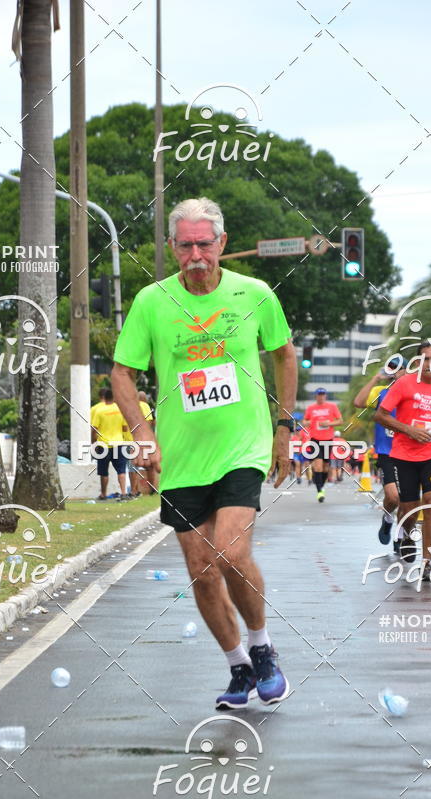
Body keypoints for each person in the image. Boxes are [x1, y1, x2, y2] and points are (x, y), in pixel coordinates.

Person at [111, 197, 296, 710]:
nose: (196, 254)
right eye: (186, 244)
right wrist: (143, 434)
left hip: (243, 446)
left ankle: (262, 650)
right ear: (172, 248)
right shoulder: (152, 301)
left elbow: (284, 355)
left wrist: (283, 428)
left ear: (222, 245)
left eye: (205, 243)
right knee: (201, 570)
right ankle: (238, 666)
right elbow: (122, 373)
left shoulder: (255, 294)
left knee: (230, 554)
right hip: (181, 457)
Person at [375, 341, 431, 580]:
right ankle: (407, 531)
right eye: (425, 359)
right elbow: (380, 415)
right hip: (404, 455)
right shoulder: (404, 384)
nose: (430, 364)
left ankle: (427, 562)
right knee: (408, 509)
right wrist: (408, 430)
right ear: (418, 362)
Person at [354, 356, 407, 551]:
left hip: (409, 452)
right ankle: (387, 518)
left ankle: (401, 537)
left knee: (407, 499)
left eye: (398, 368)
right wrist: (376, 379)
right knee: (393, 498)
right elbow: (358, 402)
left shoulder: (412, 393)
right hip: (387, 453)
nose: (394, 370)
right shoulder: (380, 392)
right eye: (391, 367)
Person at [302, 388, 342, 502]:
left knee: (325, 467)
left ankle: (321, 485)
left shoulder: (332, 407)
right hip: (315, 440)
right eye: (319, 395)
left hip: (328, 440)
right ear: (316, 396)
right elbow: (304, 421)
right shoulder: (311, 408)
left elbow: (340, 420)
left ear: (325, 396)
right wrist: (310, 422)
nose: (321, 397)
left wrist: (329, 423)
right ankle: (319, 491)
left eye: (323, 395)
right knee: (318, 465)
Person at [91, 389, 130, 501]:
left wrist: (93, 441)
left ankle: (103, 494)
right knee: (121, 470)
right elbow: (125, 428)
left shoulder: (99, 411)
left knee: (104, 471)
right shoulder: (120, 410)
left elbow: (94, 429)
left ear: (104, 398)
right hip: (118, 443)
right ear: (114, 398)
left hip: (103, 445)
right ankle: (123, 493)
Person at [122, 390, 156, 496]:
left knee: (132, 466)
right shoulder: (144, 405)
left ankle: (133, 490)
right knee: (148, 465)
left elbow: (123, 426)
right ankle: (152, 488)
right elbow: (149, 421)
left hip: (129, 440)